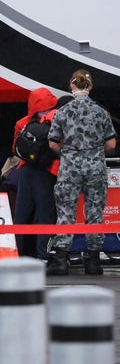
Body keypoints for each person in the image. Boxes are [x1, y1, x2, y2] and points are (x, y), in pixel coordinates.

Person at [46, 69, 117, 275]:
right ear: (90, 87)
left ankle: (60, 260)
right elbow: (111, 144)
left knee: (65, 212)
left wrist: (66, 154)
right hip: (95, 168)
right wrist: (94, 152)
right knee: (95, 213)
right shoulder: (101, 111)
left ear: (72, 86)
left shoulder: (63, 112)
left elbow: (52, 143)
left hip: (69, 167)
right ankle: (93, 262)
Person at [12, 88, 59, 259]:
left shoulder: (21, 123)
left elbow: (15, 150)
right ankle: (44, 255)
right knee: (45, 214)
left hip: (25, 170)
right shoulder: (56, 118)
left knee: (21, 213)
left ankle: (16, 251)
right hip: (47, 171)